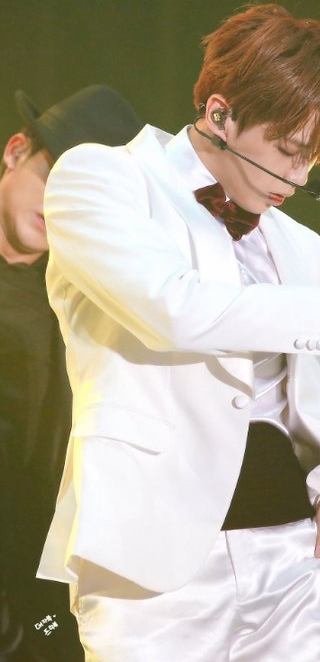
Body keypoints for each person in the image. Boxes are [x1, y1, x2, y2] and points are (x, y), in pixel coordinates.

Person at [37, 5, 320, 662]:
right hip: (153, 573)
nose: (299, 179)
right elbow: (173, 309)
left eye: (312, 159)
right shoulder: (101, 177)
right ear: (220, 114)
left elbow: (296, 416)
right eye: (290, 152)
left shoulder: (301, 245)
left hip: (294, 561)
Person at [0, 85, 143, 662]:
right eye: (51, 176)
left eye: (79, 196)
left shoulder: (78, 308)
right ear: (15, 151)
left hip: (29, 592)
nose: (56, 204)